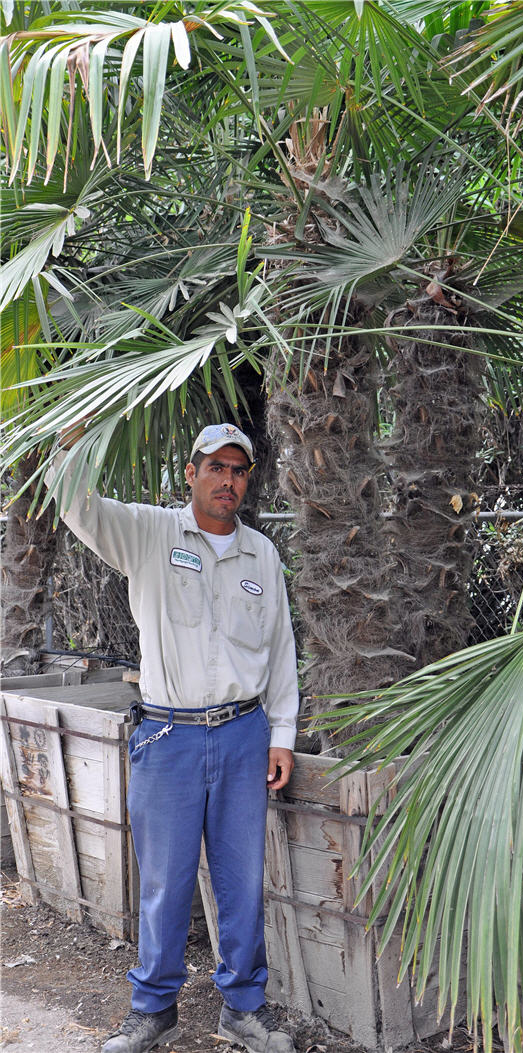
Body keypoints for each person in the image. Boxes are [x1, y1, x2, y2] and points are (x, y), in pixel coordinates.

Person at [49, 423, 299, 1053]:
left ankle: (244, 1009)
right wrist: (78, 440)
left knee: (242, 880)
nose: (228, 481)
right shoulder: (150, 533)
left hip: (243, 734)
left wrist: (282, 734)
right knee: (164, 880)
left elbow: (280, 651)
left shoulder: (260, 556)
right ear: (191, 474)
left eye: (239, 471)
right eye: (215, 467)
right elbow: (75, 502)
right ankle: (153, 1011)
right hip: (169, 737)